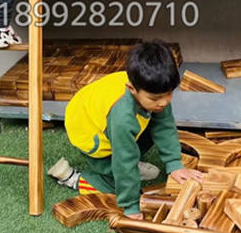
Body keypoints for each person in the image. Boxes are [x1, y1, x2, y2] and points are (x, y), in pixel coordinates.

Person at [48, 40, 203, 218]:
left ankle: (130, 167)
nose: (164, 101)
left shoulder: (154, 88)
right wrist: (131, 206)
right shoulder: (122, 117)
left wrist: (174, 164)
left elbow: (165, 126)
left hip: (108, 118)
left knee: (156, 120)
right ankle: (75, 179)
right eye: (155, 98)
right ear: (132, 89)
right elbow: (124, 160)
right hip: (89, 133)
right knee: (121, 180)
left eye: (169, 93)